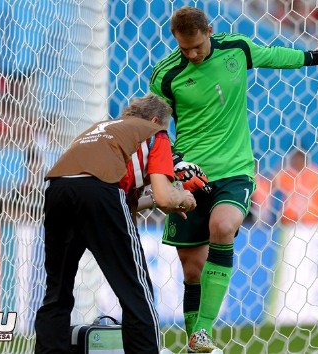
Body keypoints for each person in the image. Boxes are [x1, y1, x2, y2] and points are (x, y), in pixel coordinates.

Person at [149, 6, 318, 352]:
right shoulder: (165, 75)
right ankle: (197, 342)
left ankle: (203, 331)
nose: (192, 55)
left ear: (209, 31)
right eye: (185, 49)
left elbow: (276, 55)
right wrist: (176, 163)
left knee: (224, 227)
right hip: (189, 177)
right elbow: (158, 129)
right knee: (192, 271)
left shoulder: (236, 49)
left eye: (197, 46)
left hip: (235, 170)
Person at [34, 94, 197, 354]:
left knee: (57, 292)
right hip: (100, 192)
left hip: (58, 189)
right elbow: (166, 199)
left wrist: (157, 199)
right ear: (155, 120)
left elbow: (124, 203)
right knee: (136, 291)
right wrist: (184, 199)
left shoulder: (103, 130)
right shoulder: (156, 133)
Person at [274, 149, 318, 225]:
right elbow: (270, 184)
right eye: (295, 159)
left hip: (313, 223)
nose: (297, 161)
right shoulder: (287, 174)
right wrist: (281, 166)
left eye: (300, 158)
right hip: (289, 223)